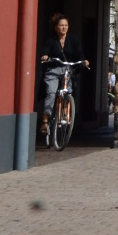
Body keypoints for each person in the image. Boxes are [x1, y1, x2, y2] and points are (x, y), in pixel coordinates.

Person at [38, 14, 88, 142]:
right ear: (56, 27)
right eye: (61, 25)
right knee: (51, 93)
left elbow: (79, 52)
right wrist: (45, 56)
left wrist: (83, 60)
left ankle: (65, 113)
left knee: (68, 91)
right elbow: (46, 50)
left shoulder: (73, 39)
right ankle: (45, 120)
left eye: (66, 25)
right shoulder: (52, 40)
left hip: (67, 70)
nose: (64, 28)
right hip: (53, 70)